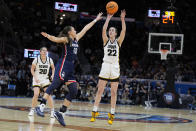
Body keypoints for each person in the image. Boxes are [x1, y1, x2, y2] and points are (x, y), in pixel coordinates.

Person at [35, 13, 103, 126]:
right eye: (73, 29)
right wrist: (48, 36)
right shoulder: (66, 39)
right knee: (55, 84)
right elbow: (56, 39)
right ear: (69, 32)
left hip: (71, 67)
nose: (76, 30)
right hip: (63, 64)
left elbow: (85, 29)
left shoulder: (76, 39)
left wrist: (95, 20)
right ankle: (40, 106)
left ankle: (60, 112)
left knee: (73, 90)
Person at [90, 10, 126, 125]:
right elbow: (103, 30)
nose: (110, 31)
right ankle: (94, 112)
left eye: (112, 30)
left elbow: (124, 30)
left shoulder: (118, 42)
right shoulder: (105, 40)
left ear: (115, 33)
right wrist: (108, 18)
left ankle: (112, 114)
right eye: (110, 30)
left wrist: (122, 19)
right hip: (105, 66)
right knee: (100, 90)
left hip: (115, 67)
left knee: (114, 92)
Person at [28, 47, 55, 117]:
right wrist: (35, 77)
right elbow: (32, 70)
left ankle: (52, 111)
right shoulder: (36, 59)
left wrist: (52, 75)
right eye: (43, 50)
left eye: (46, 51)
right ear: (40, 52)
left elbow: (53, 68)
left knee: (48, 95)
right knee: (36, 94)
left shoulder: (49, 60)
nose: (44, 52)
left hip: (45, 79)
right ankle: (32, 109)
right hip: (37, 79)